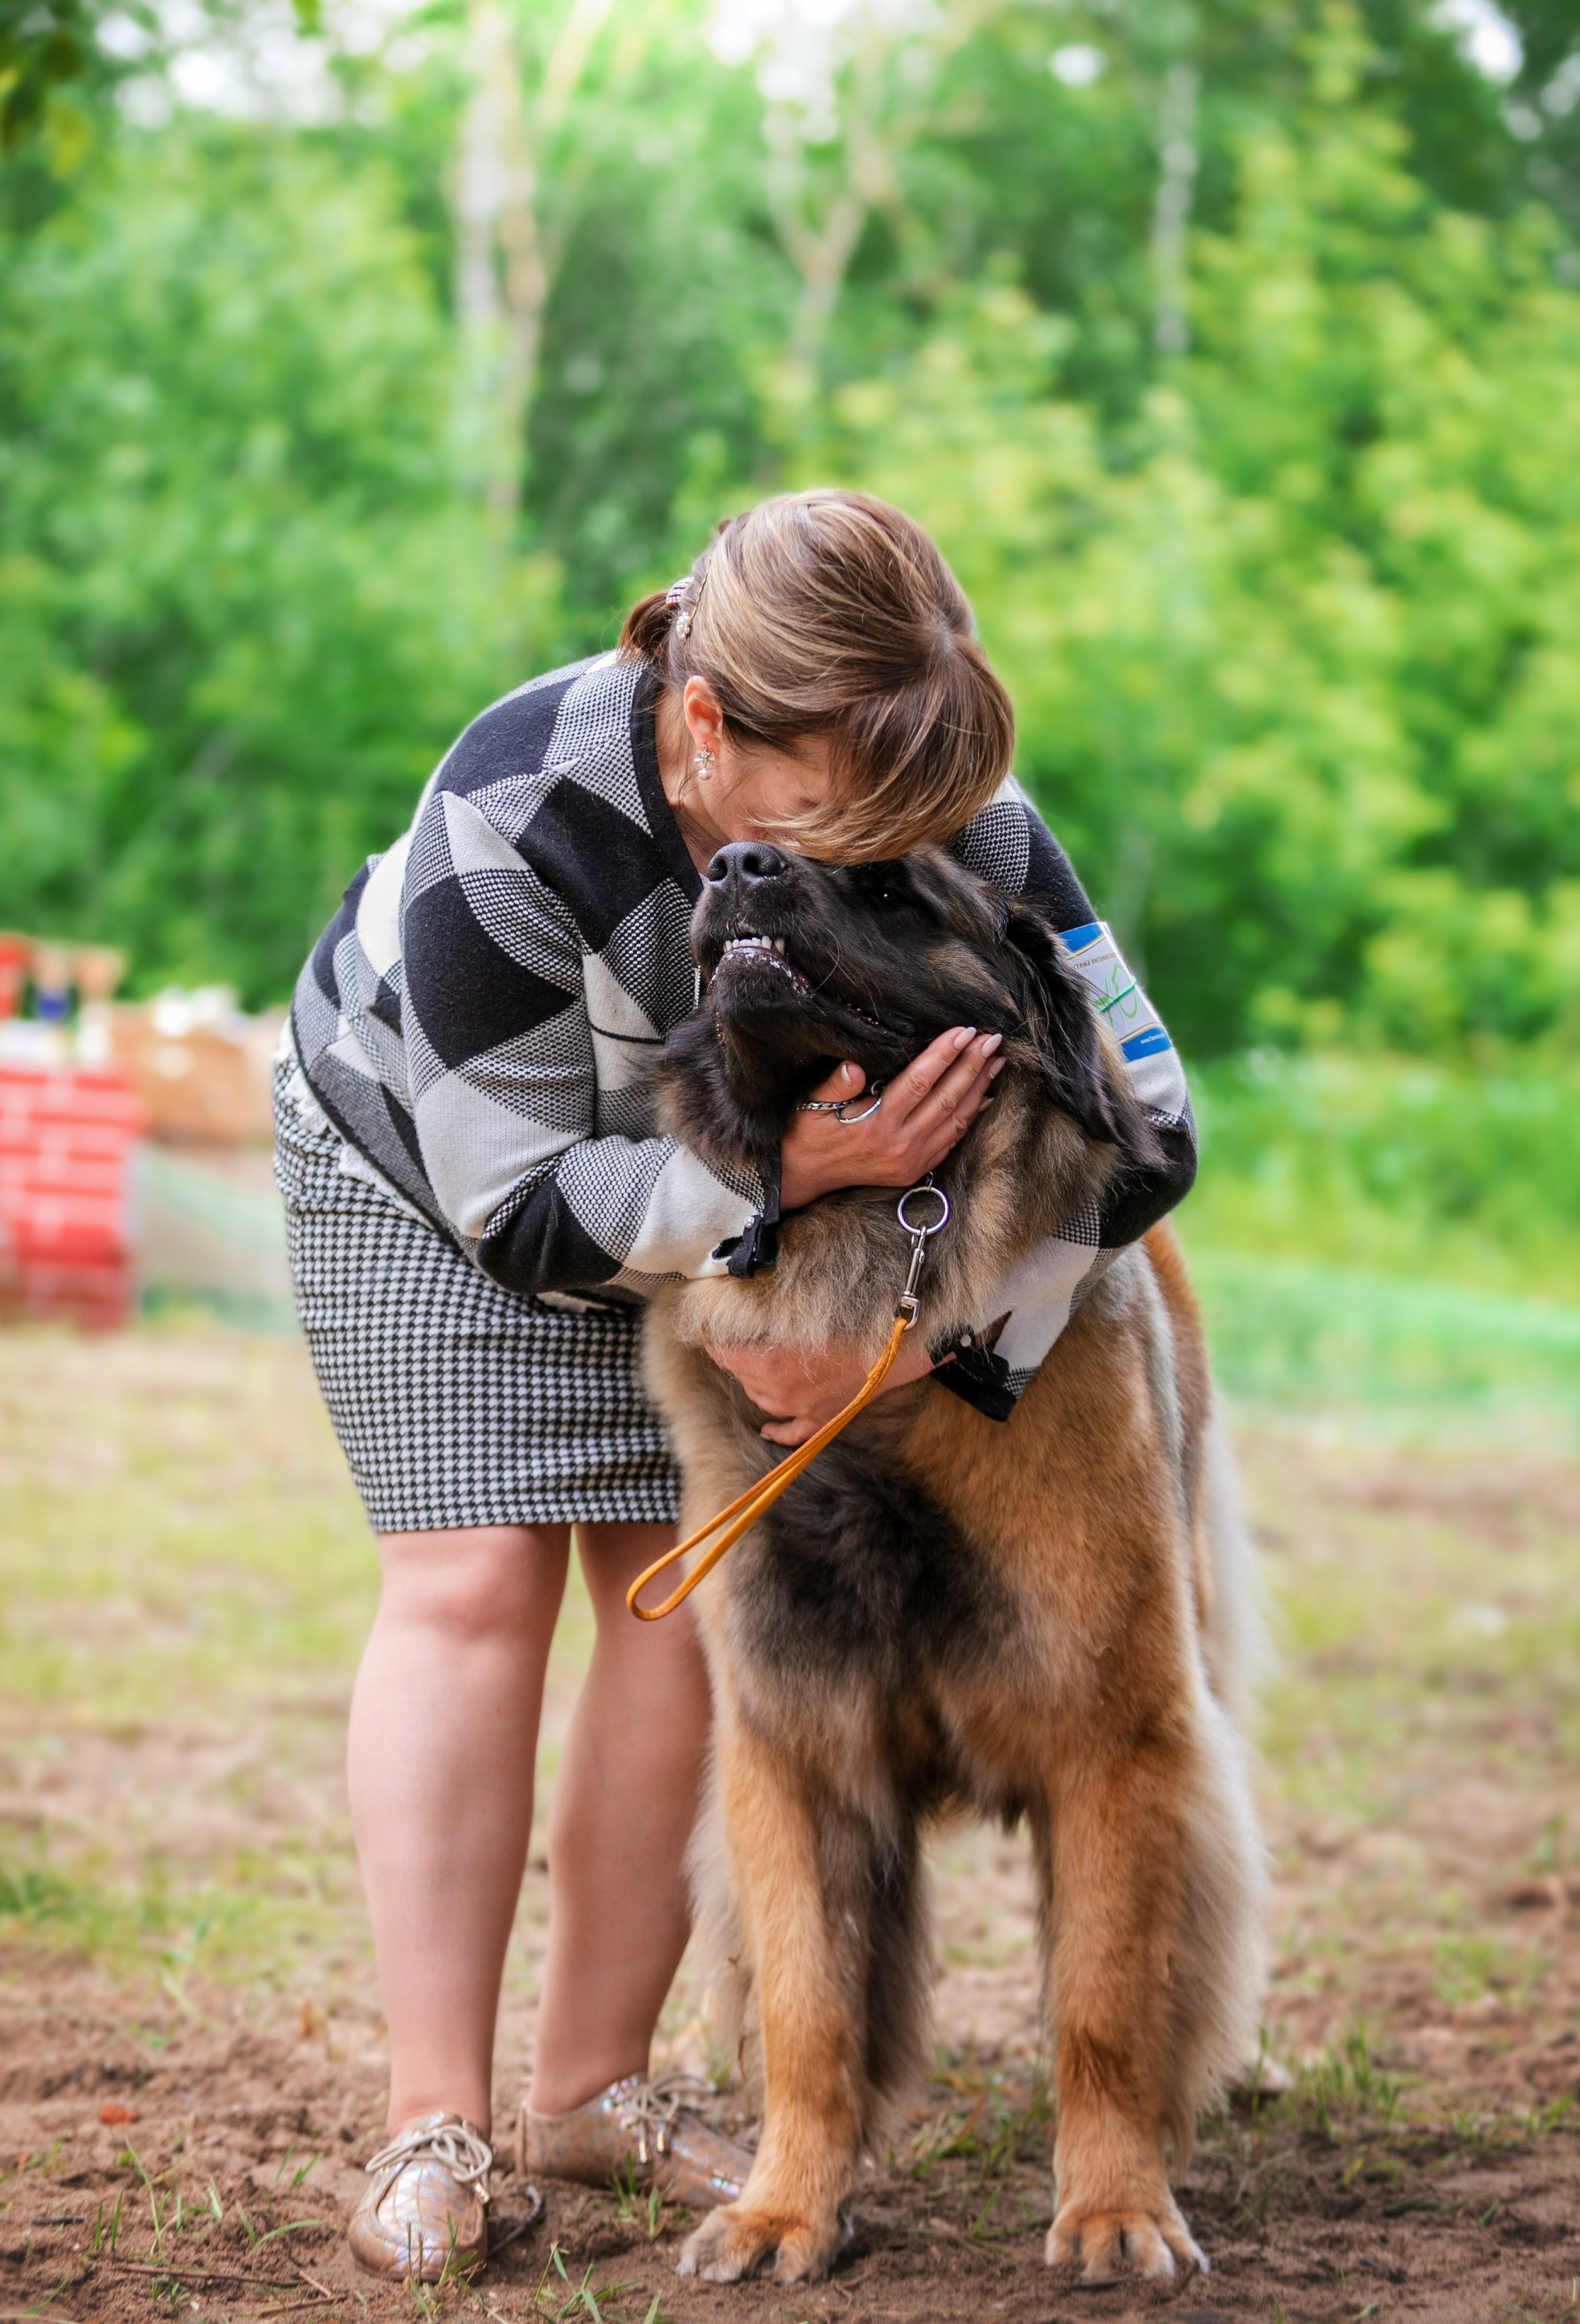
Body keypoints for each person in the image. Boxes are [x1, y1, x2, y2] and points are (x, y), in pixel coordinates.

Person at [273, 490, 1196, 2282]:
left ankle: (592, 2091)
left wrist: (919, 1341)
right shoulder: (511, 815)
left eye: (901, 831)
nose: (878, 847)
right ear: (705, 725)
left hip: (764, 1189)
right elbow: (521, 1210)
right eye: (830, 817)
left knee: (674, 1609)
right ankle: (433, 2125)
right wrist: (787, 1187)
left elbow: (1148, 1122)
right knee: (472, 1581)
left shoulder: (946, 792)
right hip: (448, 1168)